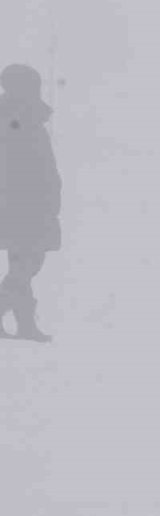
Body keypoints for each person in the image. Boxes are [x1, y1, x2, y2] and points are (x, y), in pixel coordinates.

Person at [0, 64, 61, 342]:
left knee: (22, 264)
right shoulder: (16, 118)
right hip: (25, 207)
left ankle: (25, 325)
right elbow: (23, 166)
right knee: (27, 263)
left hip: (28, 205)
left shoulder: (23, 117)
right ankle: (16, 318)